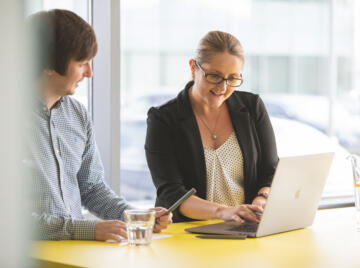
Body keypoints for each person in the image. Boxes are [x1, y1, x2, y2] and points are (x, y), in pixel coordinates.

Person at [25, 9, 172, 242]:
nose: (90, 73)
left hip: (74, 257)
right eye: (82, 63)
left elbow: (92, 189)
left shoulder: (77, 114)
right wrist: (89, 230)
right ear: (49, 66)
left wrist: (136, 217)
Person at [145, 31, 278, 223]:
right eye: (215, 76)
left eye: (233, 78)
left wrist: (261, 198)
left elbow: (271, 170)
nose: (223, 88)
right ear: (193, 67)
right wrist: (223, 212)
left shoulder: (252, 107)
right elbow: (171, 192)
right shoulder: (163, 119)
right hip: (187, 235)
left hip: (244, 229)